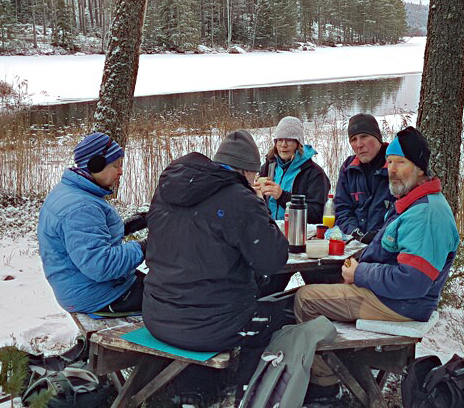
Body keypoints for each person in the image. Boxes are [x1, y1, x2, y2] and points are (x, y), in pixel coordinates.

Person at [294, 126, 460, 396]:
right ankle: (341, 362)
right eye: (390, 162)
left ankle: (324, 386)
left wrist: (360, 274)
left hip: (400, 304)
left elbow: (412, 281)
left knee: (304, 299)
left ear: (420, 168)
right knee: (321, 282)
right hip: (394, 297)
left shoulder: (426, 214)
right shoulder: (413, 202)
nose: (392, 169)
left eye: (401, 162)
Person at [142, 130, 291, 398]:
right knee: (275, 318)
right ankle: (245, 395)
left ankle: (197, 385)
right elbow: (272, 260)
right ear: (247, 172)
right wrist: (260, 206)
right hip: (210, 329)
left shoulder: (169, 189)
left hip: (157, 316)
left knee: (211, 298)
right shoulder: (240, 200)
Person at [37, 132, 147, 314]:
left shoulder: (72, 190)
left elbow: (91, 236)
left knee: (166, 282)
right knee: (183, 294)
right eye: (115, 165)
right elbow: (101, 265)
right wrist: (146, 247)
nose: (120, 171)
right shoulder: (80, 207)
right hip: (97, 295)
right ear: (96, 166)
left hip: (82, 286)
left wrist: (139, 222)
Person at [334, 113, 395, 244]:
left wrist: (377, 237)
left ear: (378, 138)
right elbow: (341, 210)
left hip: (387, 247)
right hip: (354, 245)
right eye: (353, 139)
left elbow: (402, 215)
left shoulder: (395, 166)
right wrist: (355, 233)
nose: (359, 144)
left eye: (364, 136)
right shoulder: (348, 168)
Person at [258, 116, 330, 225]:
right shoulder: (268, 168)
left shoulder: (315, 173)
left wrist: (283, 197)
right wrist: (254, 194)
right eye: (280, 140)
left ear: (298, 143)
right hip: (270, 232)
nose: (283, 145)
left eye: (289, 140)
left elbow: (317, 215)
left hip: (299, 234)